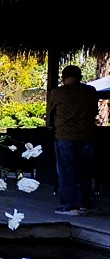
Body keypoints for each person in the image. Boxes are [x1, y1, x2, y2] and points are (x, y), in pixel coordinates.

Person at [47, 64, 98, 215]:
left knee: (66, 172)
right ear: (80, 77)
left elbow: (51, 112)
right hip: (87, 135)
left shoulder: (57, 92)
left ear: (64, 78)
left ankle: (70, 205)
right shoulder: (90, 91)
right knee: (85, 172)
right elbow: (94, 110)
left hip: (65, 136)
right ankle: (84, 204)